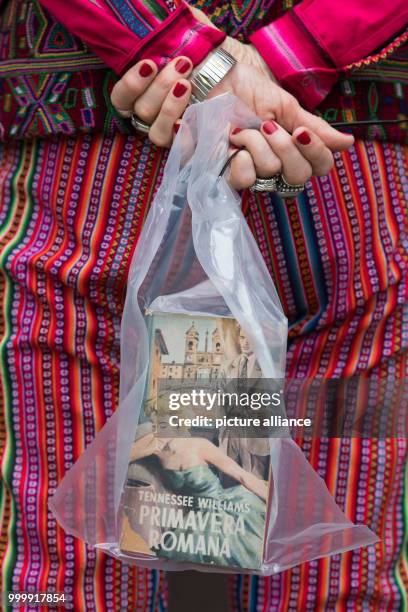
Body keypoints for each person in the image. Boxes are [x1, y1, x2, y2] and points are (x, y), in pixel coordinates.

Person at [0, 0, 407, 609]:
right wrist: (293, 51)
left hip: (91, 155)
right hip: (339, 157)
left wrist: (188, 52)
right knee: (336, 579)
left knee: (61, 573)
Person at [127, 423, 268, 568]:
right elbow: (124, 457)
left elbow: (242, 476)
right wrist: (153, 446)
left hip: (223, 506)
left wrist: (272, 501)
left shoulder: (199, 445)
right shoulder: (157, 447)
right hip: (197, 514)